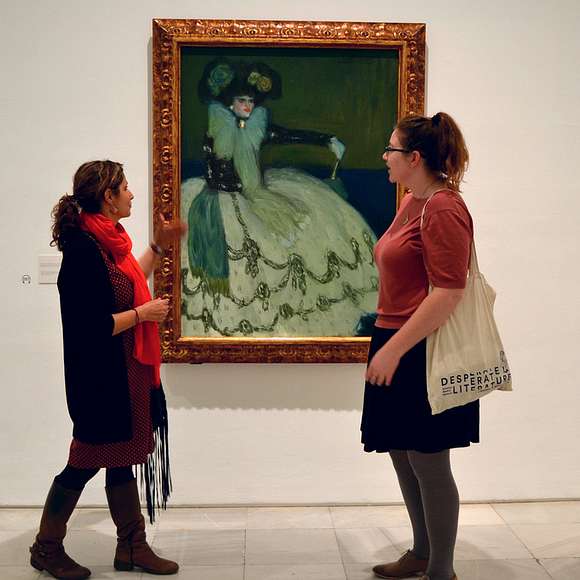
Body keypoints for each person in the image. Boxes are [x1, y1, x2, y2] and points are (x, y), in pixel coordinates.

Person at [30, 160, 185, 579]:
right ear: (108, 197)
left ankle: (131, 547)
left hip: (126, 372)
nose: (132, 194)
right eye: (125, 187)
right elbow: (91, 326)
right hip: (100, 379)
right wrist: (143, 314)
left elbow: (127, 283)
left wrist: (158, 246)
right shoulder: (83, 250)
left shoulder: (109, 243)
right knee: (84, 460)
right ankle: (46, 547)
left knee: (122, 457)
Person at [181, 58, 378, 338]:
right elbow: (215, 170)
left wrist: (326, 140)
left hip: (255, 193)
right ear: (229, 103)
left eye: (251, 101)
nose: (247, 106)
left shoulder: (256, 127)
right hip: (221, 198)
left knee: (306, 227)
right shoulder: (217, 129)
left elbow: (288, 135)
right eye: (241, 101)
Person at [361, 113, 477, 580]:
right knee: (402, 451)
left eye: (390, 149)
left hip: (421, 347)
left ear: (413, 158)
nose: (384, 157)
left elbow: (449, 291)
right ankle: (423, 553)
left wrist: (395, 350)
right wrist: (387, 343)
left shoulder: (444, 208)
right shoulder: (413, 200)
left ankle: (441, 571)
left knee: (429, 460)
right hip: (396, 337)